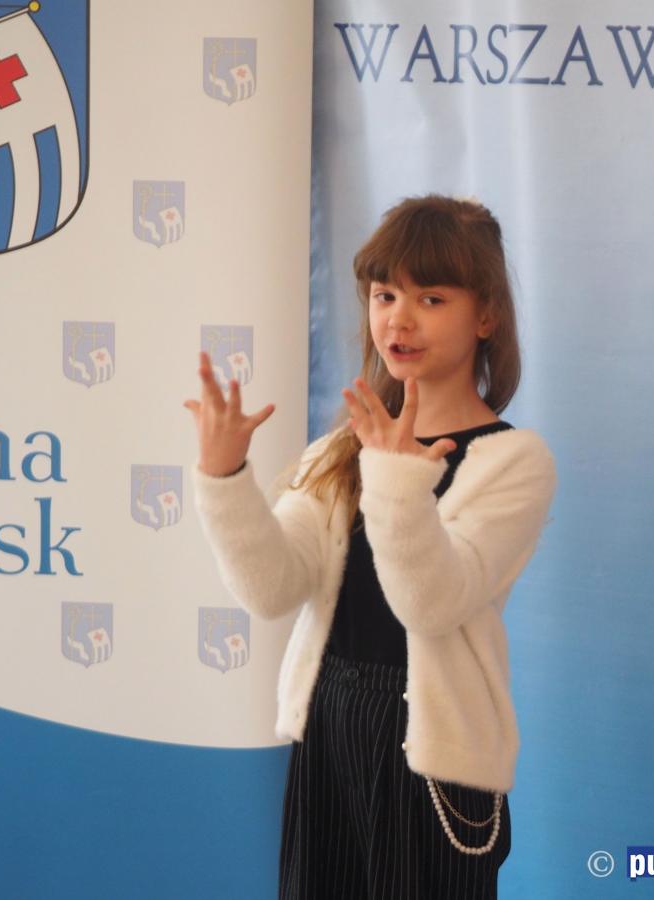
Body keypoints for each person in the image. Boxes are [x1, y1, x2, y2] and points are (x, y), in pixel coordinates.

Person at [183, 194, 557, 899]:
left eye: (431, 298)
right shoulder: (339, 451)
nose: (399, 319)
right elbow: (272, 589)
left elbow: (431, 602)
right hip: (328, 728)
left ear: (485, 316)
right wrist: (224, 476)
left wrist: (393, 475)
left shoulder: (514, 462)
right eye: (385, 295)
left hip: (434, 755)